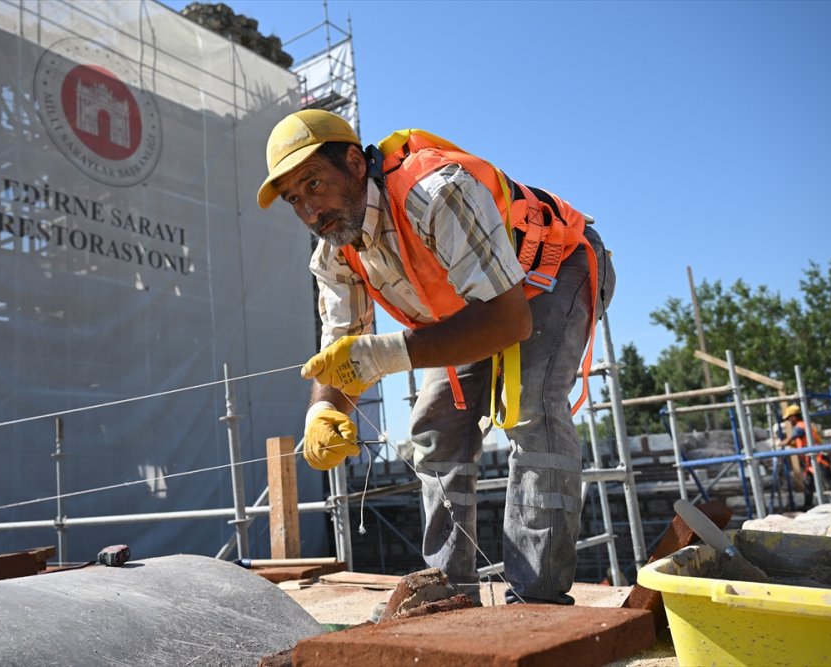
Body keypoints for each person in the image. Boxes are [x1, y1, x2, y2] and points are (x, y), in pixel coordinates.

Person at [257, 109, 615, 605]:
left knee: (529, 404)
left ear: (356, 165)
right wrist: (323, 409)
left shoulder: (435, 192)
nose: (310, 212)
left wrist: (389, 355)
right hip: (480, 309)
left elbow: (510, 321)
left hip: (552, 271)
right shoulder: (336, 252)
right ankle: (449, 591)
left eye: (314, 183)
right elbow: (337, 351)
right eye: (295, 200)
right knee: (434, 426)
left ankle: (537, 597)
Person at [778, 404, 831, 510]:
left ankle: (809, 504)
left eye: (789, 418)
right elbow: (802, 442)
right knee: (808, 483)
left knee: (830, 483)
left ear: (794, 416)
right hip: (811, 460)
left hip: (818, 459)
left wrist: (781, 443)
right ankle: (807, 505)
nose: (789, 421)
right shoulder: (805, 426)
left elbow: (790, 439)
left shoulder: (800, 426)